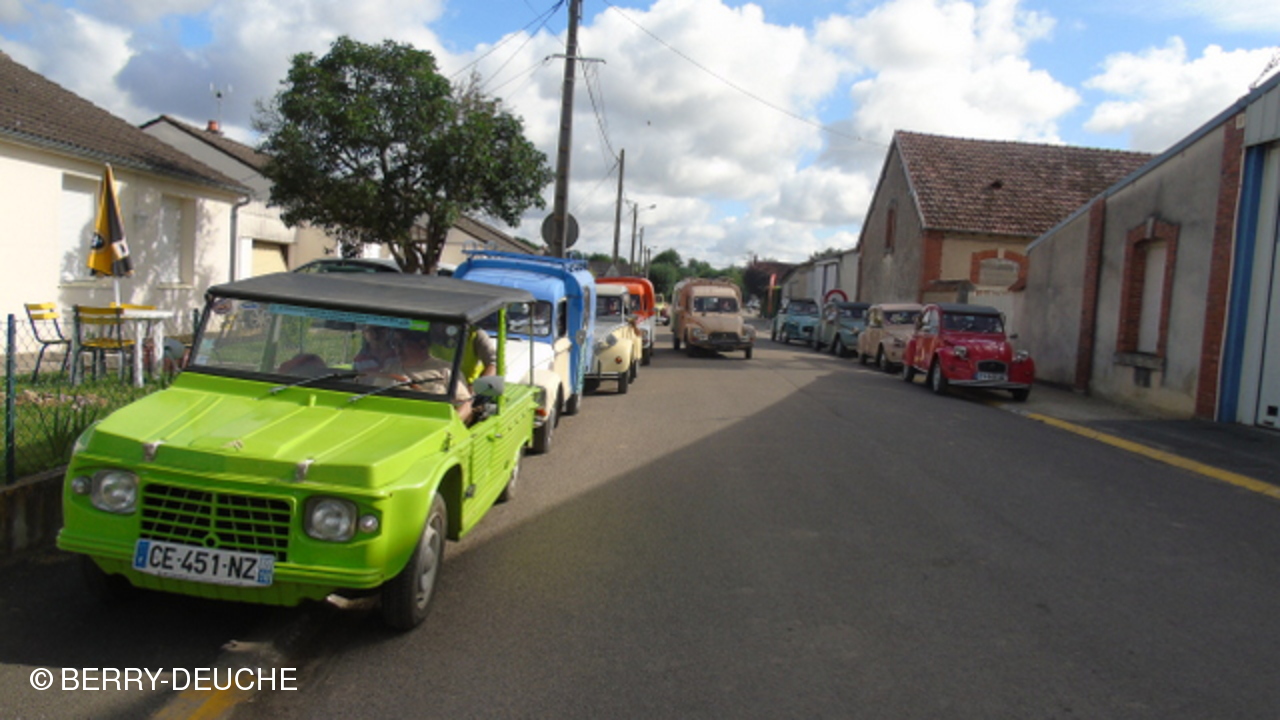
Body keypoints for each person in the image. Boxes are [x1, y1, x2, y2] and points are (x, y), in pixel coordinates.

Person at [381, 329, 474, 423]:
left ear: (423, 345)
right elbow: (376, 396)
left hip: (433, 421)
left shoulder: (445, 370)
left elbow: (465, 405)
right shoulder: (390, 368)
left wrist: (450, 425)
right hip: (393, 419)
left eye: (402, 344)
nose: (397, 349)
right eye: (395, 343)